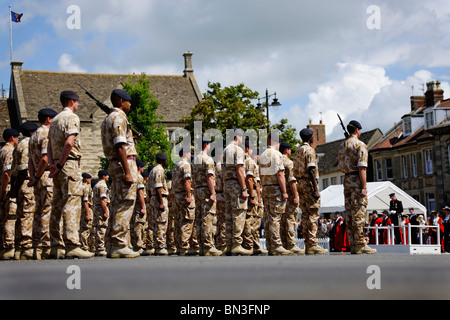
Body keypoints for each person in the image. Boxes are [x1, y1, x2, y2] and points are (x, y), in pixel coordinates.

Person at [48, 90, 93, 259]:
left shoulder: (54, 121)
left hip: (58, 165)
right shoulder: (72, 118)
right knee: (72, 202)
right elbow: (69, 142)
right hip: (69, 164)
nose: (78, 105)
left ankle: (56, 245)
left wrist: (53, 164)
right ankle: (72, 244)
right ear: (72, 101)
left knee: (57, 205)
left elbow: (49, 146)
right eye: (77, 102)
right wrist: (60, 164)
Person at [100, 89, 139, 259]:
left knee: (117, 203)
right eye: (129, 101)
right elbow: (120, 146)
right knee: (125, 203)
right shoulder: (119, 117)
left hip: (115, 163)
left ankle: (112, 244)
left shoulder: (109, 118)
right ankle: (119, 243)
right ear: (121, 101)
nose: (130, 105)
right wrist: (128, 171)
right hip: (124, 162)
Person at [338, 120, 376, 254]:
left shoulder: (342, 145)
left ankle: (353, 243)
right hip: (356, 179)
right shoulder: (360, 145)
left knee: (348, 213)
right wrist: (364, 187)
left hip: (346, 179)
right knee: (359, 212)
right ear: (357, 130)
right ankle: (360, 243)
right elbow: (362, 168)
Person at [28, 108, 58, 260]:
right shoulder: (46, 133)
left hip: (37, 178)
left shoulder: (33, 135)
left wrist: (33, 176)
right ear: (48, 119)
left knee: (38, 212)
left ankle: (36, 246)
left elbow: (30, 160)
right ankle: (45, 246)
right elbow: (45, 158)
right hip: (46, 175)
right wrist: (39, 174)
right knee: (47, 211)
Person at [294, 128, 328, 255]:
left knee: (305, 215)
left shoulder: (298, 150)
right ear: (310, 137)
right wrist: (315, 189)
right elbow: (312, 170)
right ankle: (313, 244)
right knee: (313, 214)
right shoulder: (309, 150)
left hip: (300, 183)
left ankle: (308, 243)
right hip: (308, 183)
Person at [259, 131, 290, 256]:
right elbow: (280, 174)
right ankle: (277, 245)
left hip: (265, 187)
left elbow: (260, 175)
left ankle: (270, 245)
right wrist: (284, 191)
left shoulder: (262, 155)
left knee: (267, 218)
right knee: (276, 218)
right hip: (275, 188)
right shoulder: (277, 155)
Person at [11, 122, 38, 260]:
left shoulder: (18, 145)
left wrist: (14, 188)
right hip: (27, 183)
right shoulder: (28, 144)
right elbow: (22, 170)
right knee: (27, 216)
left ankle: (19, 247)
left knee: (21, 215)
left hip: (20, 184)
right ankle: (26, 247)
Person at [223, 129, 251, 255]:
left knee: (229, 215)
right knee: (239, 213)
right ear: (237, 137)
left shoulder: (225, 150)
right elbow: (239, 170)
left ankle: (229, 244)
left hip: (227, 184)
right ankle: (236, 243)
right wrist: (244, 188)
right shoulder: (237, 150)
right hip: (235, 184)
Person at [193, 138, 221, 256]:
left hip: (198, 190)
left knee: (199, 218)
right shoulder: (207, 159)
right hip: (205, 190)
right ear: (206, 145)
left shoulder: (195, 159)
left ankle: (201, 245)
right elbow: (210, 177)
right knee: (208, 218)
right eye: (209, 144)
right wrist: (213, 193)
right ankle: (208, 245)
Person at [242, 142, 267, 255]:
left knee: (249, 220)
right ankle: (250, 244)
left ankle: (251, 244)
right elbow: (255, 183)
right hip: (253, 195)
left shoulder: (240, 161)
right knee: (252, 221)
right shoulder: (251, 163)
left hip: (245, 194)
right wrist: (258, 199)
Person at [279, 142, 303, 254]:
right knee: (290, 219)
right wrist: (296, 196)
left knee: (282, 220)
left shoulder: (276, 161)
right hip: (289, 194)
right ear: (287, 150)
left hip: (278, 195)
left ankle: (283, 243)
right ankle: (291, 244)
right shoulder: (288, 163)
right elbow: (292, 181)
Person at [0, 128, 20, 260]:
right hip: (7, 187)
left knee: (4, 218)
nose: (18, 140)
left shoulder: (2, 150)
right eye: (17, 137)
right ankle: (9, 247)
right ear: (12, 138)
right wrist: (3, 190)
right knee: (10, 217)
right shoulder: (9, 151)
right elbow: (7, 173)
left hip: (3, 187)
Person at [172, 147, 195, 256]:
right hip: (183, 195)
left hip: (177, 195)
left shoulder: (176, 165)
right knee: (187, 221)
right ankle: (184, 246)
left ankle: (179, 245)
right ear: (186, 153)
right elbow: (187, 180)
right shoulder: (186, 165)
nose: (190, 154)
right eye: (190, 152)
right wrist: (188, 195)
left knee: (178, 221)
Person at [148, 152, 169, 255]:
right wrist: (161, 202)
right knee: (161, 223)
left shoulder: (152, 170)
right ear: (163, 160)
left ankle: (157, 246)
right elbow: (158, 187)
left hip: (153, 198)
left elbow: (148, 187)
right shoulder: (159, 170)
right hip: (159, 198)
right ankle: (160, 246)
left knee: (156, 223)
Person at [130, 159, 147, 254]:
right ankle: (138, 246)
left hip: (131, 204)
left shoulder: (130, 175)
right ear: (140, 167)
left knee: (133, 224)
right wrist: (143, 207)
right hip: (137, 204)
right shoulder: (139, 177)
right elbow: (140, 193)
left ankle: (135, 244)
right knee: (139, 224)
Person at [92, 170, 110, 256]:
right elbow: (103, 200)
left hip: (97, 208)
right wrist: (106, 211)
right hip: (101, 209)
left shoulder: (97, 185)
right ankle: (100, 248)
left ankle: (98, 247)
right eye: (107, 175)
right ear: (103, 176)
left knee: (98, 228)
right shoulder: (102, 185)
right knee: (102, 228)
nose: (108, 177)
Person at [80, 173, 93, 252]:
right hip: (86, 209)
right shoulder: (86, 187)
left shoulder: (80, 186)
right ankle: (84, 247)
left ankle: (84, 246)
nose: (90, 180)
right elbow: (85, 201)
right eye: (88, 178)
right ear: (85, 179)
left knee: (83, 228)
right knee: (86, 229)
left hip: (82, 209)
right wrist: (88, 213)